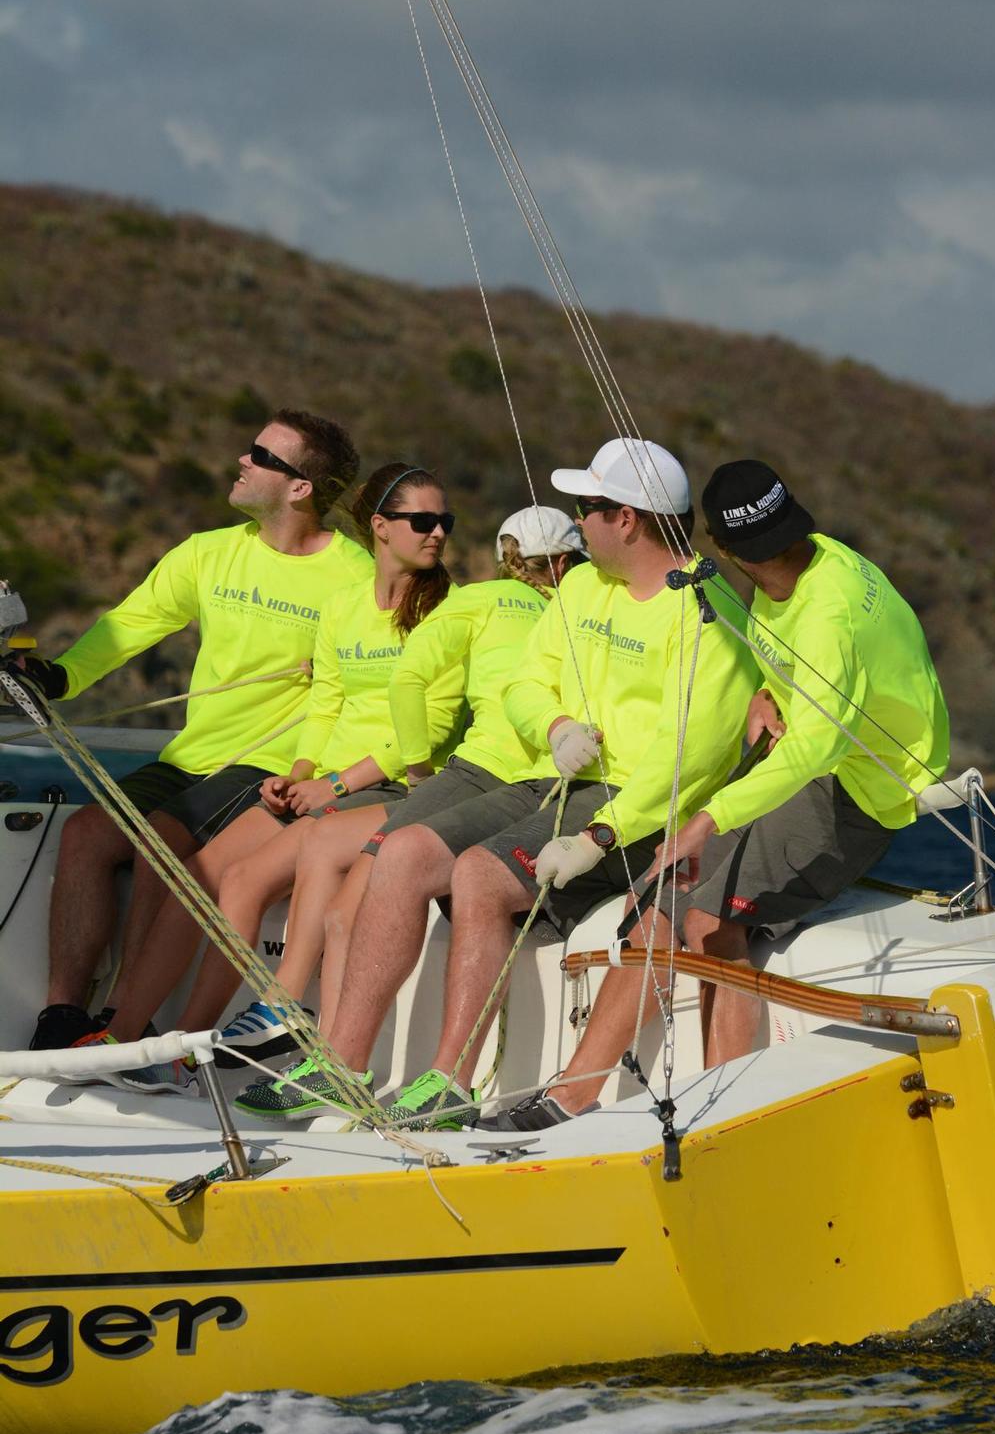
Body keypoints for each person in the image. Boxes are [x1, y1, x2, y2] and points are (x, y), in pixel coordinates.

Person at [254, 438, 756, 1130]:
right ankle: (341, 1068)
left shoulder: (705, 609)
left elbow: (688, 762)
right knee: (399, 853)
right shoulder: (581, 586)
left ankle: (449, 1084)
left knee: (479, 877)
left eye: (587, 508)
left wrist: (598, 838)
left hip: (642, 806)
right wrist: (553, 726)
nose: (576, 522)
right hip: (557, 775)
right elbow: (527, 679)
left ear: (629, 520)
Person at [484, 459, 950, 1125]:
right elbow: (800, 672)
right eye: (766, 550)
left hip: (860, 786)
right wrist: (770, 689)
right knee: (667, 903)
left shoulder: (828, 615)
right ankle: (645, 1091)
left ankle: (663, 1101)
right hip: (806, 760)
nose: (774, 560)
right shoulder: (808, 560)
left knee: (695, 917)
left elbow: (817, 745)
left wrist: (707, 820)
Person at [89, 464, 463, 1088]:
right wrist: (298, 774)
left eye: (444, 523)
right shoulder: (345, 606)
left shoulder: (448, 612)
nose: (437, 534)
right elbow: (327, 703)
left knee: (243, 877)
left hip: (389, 784)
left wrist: (336, 786)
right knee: (201, 875)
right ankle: (128, 1037)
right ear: (381, 528)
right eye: (423, 522)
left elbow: (434, 728)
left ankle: (193, 1051)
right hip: (327, 781)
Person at [25, 411, 370, 1051]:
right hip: (192, 756)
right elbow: (131, 626)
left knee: (160, 839)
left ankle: (126, 1022)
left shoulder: (354, 576)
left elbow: (377, 677)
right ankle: (63, 1014)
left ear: (301, 488)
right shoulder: (209, 553)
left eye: (262, 456)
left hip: (269, 761)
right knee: (85, 835)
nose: (243, 460)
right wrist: (59, 677)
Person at [234, 505, 588, 1118]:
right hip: (546, 780)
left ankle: (334, 1064)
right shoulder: (586, 605)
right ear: (566, 561)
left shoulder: (479, 601)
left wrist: (419, 768)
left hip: (474, 771)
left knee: (352, 905)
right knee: (361, 893)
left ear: (506, 555)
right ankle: (335, 1065)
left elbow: (408, 680)